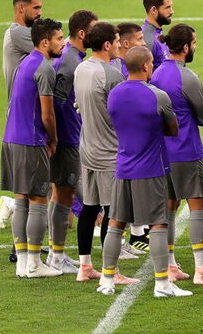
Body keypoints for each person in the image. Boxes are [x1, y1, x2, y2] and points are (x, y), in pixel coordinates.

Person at [97, 46, 190, 298]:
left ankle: (106, 280)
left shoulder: (114, 94)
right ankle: (162, 284)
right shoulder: (158, 96)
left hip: (123, 167)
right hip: (151, 168)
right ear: (147, 66)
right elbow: (173, 129)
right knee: (158, 224)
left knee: (115, 223)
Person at [151, 23, 203, 285]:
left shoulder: (155, 73)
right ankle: (202, 269)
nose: (196, 47)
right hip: (187, 150)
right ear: (185, 47)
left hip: (162, 152)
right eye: (194, 43)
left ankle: (171, 265)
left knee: (168, 207)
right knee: (199, 205)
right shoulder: (188, 77)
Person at [74, 22, 137, 284]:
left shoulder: (81, 68)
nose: (121, 44)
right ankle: (111, 272)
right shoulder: (112, 75)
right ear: (108, 45)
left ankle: (85, 266)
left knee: (89, 209)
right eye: (116, 40)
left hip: (87, 148)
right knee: (114, 213)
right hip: (109, 152)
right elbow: (124, 114)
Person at [1, 17, 64, 278]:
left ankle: (23, 263)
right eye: (60, 38)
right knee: (38, 198)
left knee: (21, 198)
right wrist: (54, 139)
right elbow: (47, 115)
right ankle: (36, 264)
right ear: (45, 41)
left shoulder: (25, 63)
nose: (63, 42)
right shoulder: (45, 68)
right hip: (31, 141)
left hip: (11, 139)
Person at [48, 9, 98, 274]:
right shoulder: (70, 64)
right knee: (64, 195)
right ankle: (56, 256)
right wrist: (57, 137)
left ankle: (56, 253)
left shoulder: (72, 57)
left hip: (68, 137)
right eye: (93, 30)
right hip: (67, 139)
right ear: (82, 33)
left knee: (61, 195)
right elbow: (56, 103)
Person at [110, 21, 150, 254]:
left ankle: (136, 234)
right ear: (126, 43)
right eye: (139, 40)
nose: (144, 43)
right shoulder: (118, 72)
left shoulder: (122, 68)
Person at [3, 0, 43, 97]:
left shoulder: (19, 31)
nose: (40, 13)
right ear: (21, 8)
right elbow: (53, 51)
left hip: (22, 106)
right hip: (22, 109)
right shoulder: (18, 32)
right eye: (36, 8)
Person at [142, 0, 173, 71]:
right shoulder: (147, 40)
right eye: (167, 7)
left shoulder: (157, 33)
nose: (171, 11)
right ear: (153, 10)